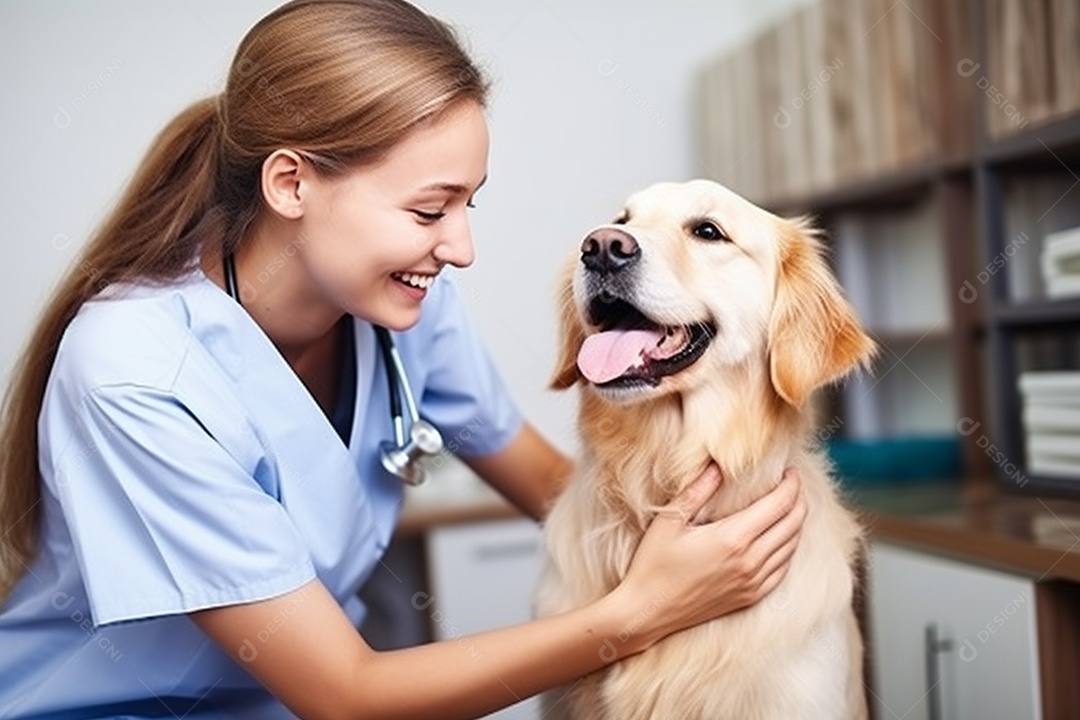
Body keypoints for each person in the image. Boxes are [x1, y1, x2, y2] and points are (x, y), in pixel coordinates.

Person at [0, 1, 807, 718]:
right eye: (429, 209)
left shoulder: (406, 304)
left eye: (467, 203)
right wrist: (638, 611)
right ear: (290, 183)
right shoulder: (133, 369)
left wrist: (716, 538)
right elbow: (345, 694)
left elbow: (553, 489)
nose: (460, 248)